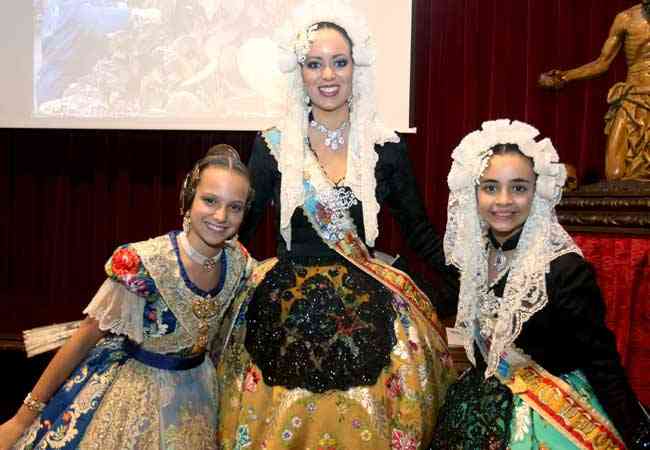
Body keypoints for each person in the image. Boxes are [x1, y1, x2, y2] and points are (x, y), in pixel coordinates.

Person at [215, 1, 456, 449]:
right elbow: (237, 232)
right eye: (314, 64)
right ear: (300, 73)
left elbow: (420, 232)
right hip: (285, 301)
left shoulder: (384, 146)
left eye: (339, 62)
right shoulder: (272, 145)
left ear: (354, 68)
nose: (328, 75)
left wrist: (473, 285)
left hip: (367, 301)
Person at [0, 145, 254, 450]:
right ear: (188, 200)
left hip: (199, 398)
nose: (221, 216)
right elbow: (85, 336)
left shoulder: (238, 262)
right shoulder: (142, 263)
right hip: (137, 400)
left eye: (235, 207)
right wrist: (22, 418)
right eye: (210, 200)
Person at [429, 119, 650, 450]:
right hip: (480, 404)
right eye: (490, 187)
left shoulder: (565, 270)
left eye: (518, 188)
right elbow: (438, 299)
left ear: (538, 192)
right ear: (473, 192)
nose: (503, 200)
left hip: (549, 413)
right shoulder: (473, 257)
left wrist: (639, 436)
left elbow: (602, 363)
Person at [538, 1, 650, 182]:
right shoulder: (626, 18)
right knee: (615, 174)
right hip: (633, 99)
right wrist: (564, 77)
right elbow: (602, 63)